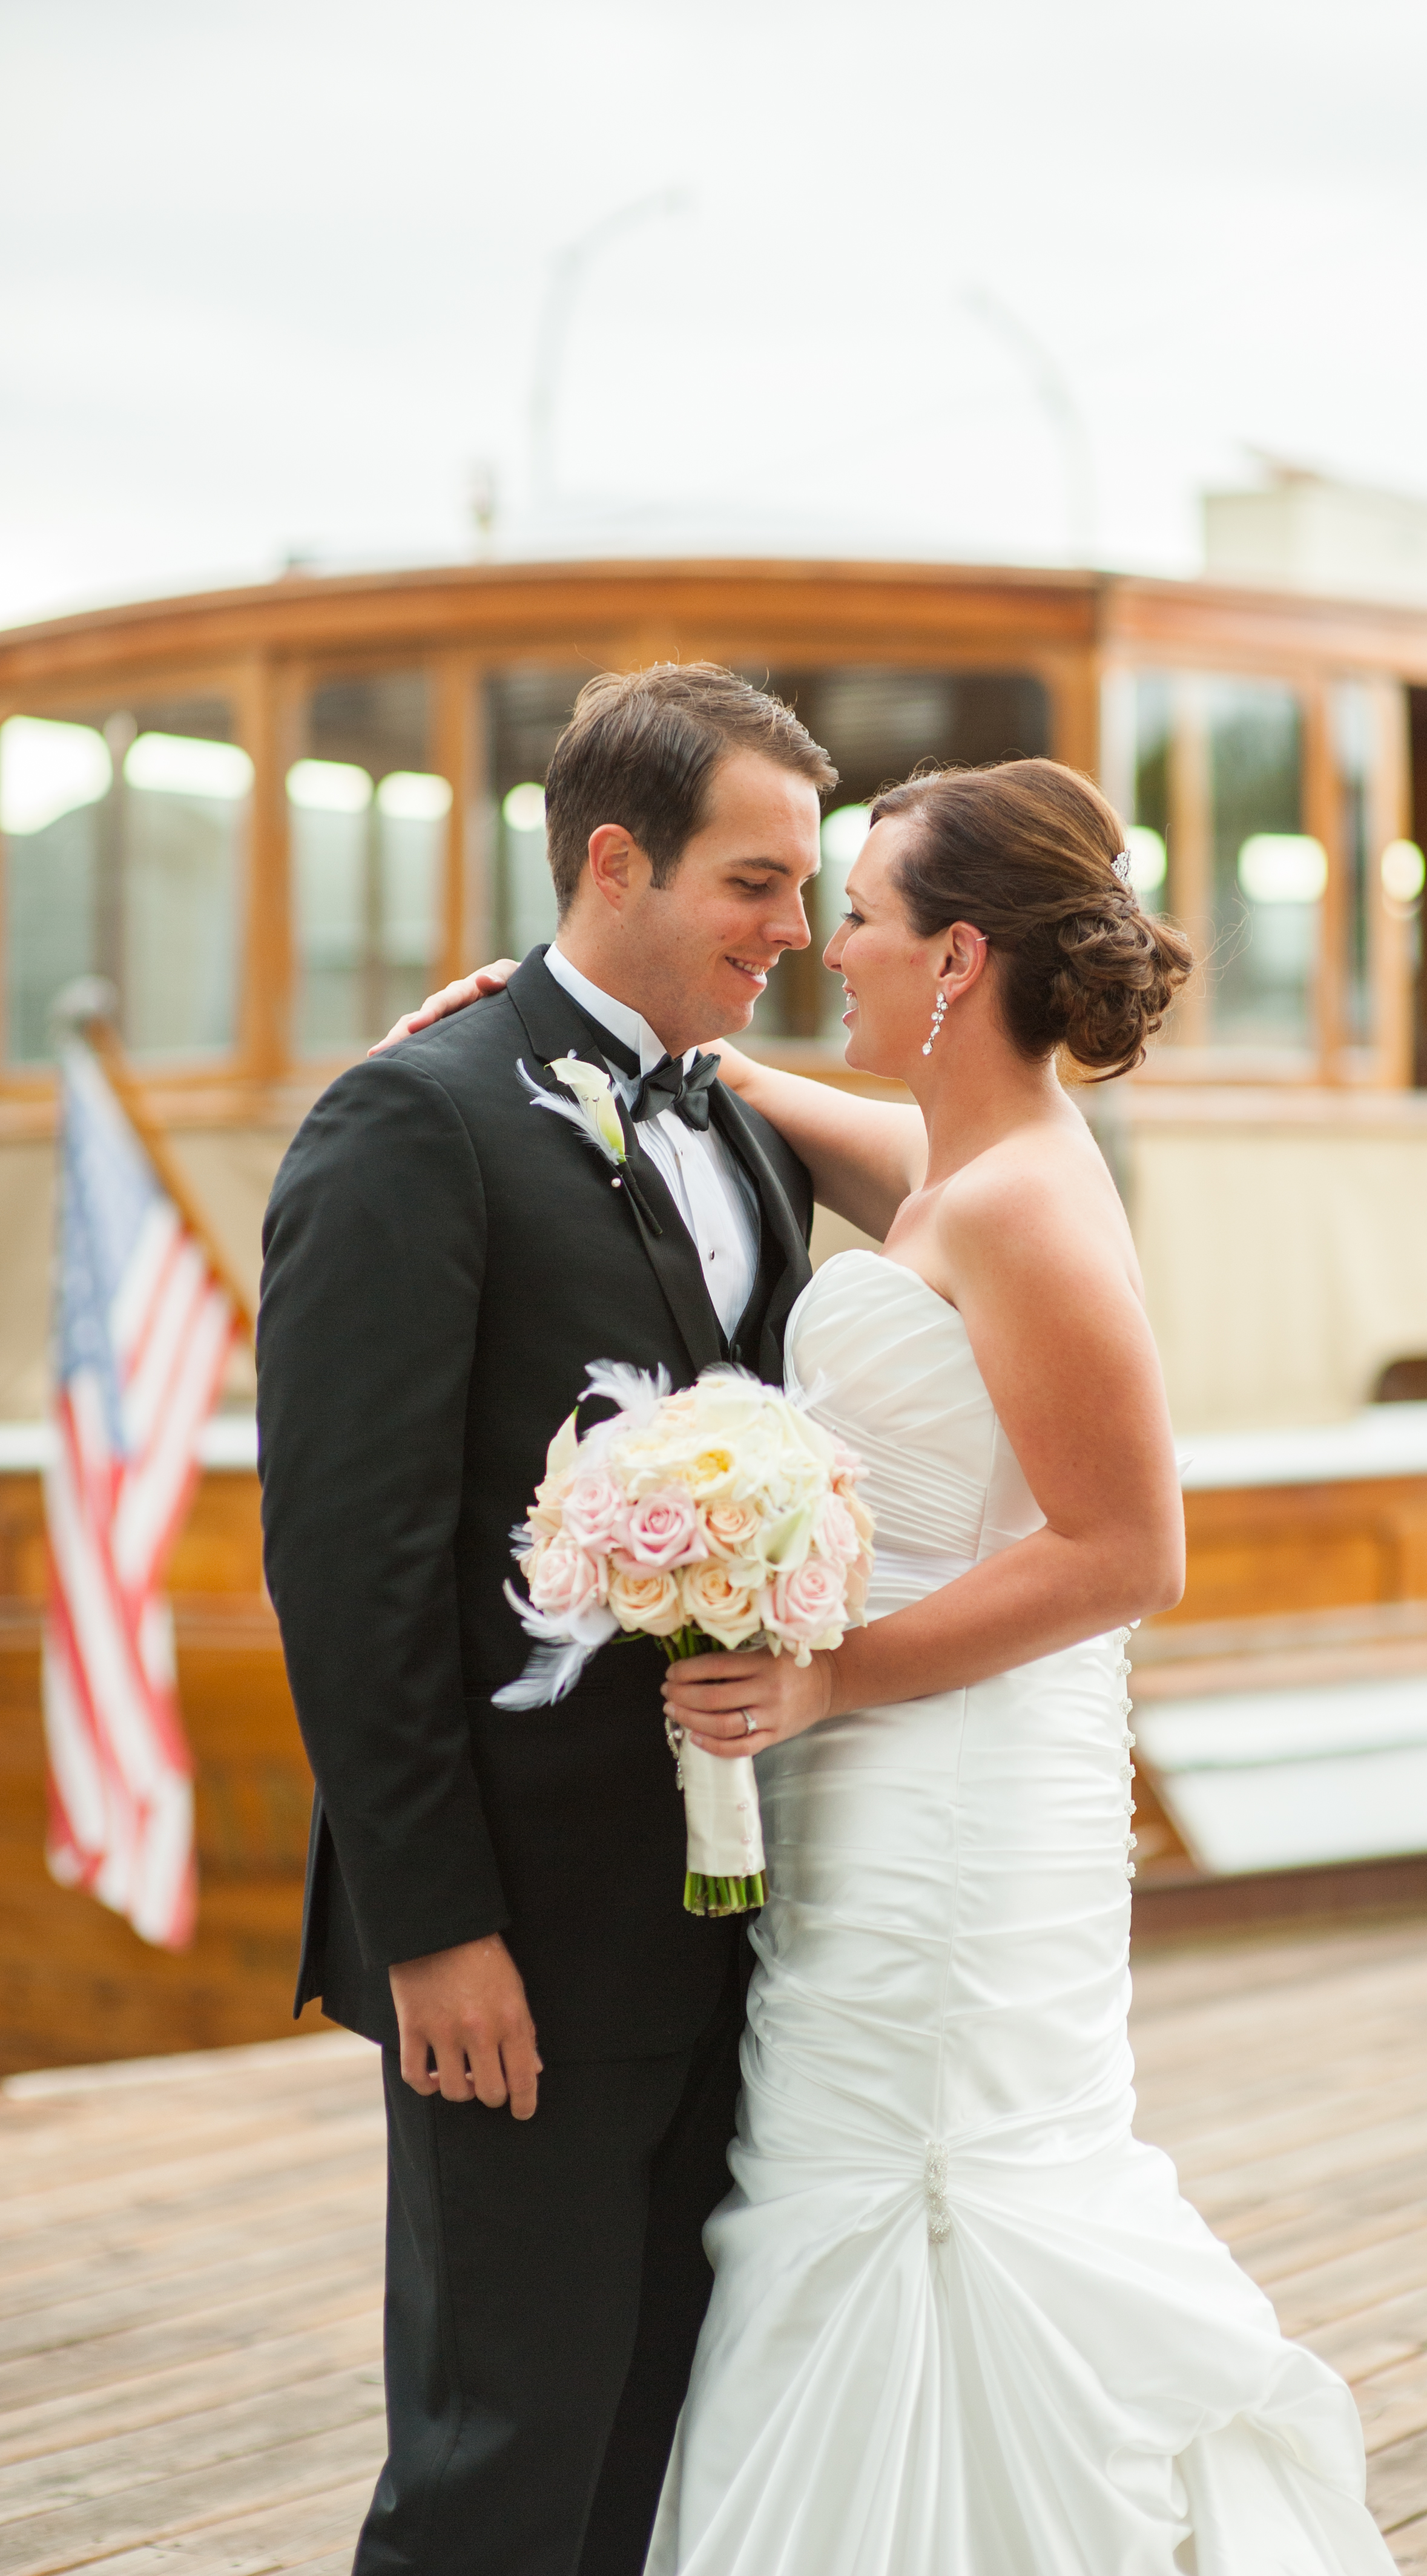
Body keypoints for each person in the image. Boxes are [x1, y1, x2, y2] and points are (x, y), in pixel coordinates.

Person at [400, 756, 1401, 2572]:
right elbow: (768, 1101)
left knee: (931, 2196)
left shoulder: (1019, 1203)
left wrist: (834, 1682)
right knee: (856, 2186)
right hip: (885, 1784)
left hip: (942, 1787)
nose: (822, 947)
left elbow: (1130, 1550)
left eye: (854, 915)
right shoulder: (970, 1161)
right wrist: (561, 1026)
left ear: (953, 961)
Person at [256, 664, 837, 2576]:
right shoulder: (411, 1122)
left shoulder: (749, 1136)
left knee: (647, 2445)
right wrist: (435, 1931)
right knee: (496, 2463)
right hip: (514, 1939)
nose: (797, 933)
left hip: (728, 1914)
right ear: (614, 860)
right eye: (757, 884)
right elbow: (349, 1565)